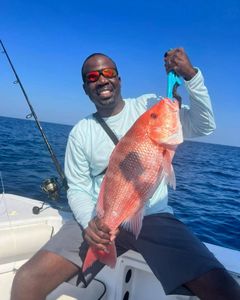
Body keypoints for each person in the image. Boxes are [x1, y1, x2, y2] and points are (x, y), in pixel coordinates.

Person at [11, 48, 240, 300]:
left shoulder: (150, 106)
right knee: (26, 281)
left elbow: (204, 125)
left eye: (108, 73)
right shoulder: (81, 132)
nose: (102, 80)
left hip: (154, 218)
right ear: (85, 88)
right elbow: (77, 187)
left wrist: (191, 77)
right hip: (103, 218)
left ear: (119, 79)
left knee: (225, 290)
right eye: (92, 77)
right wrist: (92, 223)